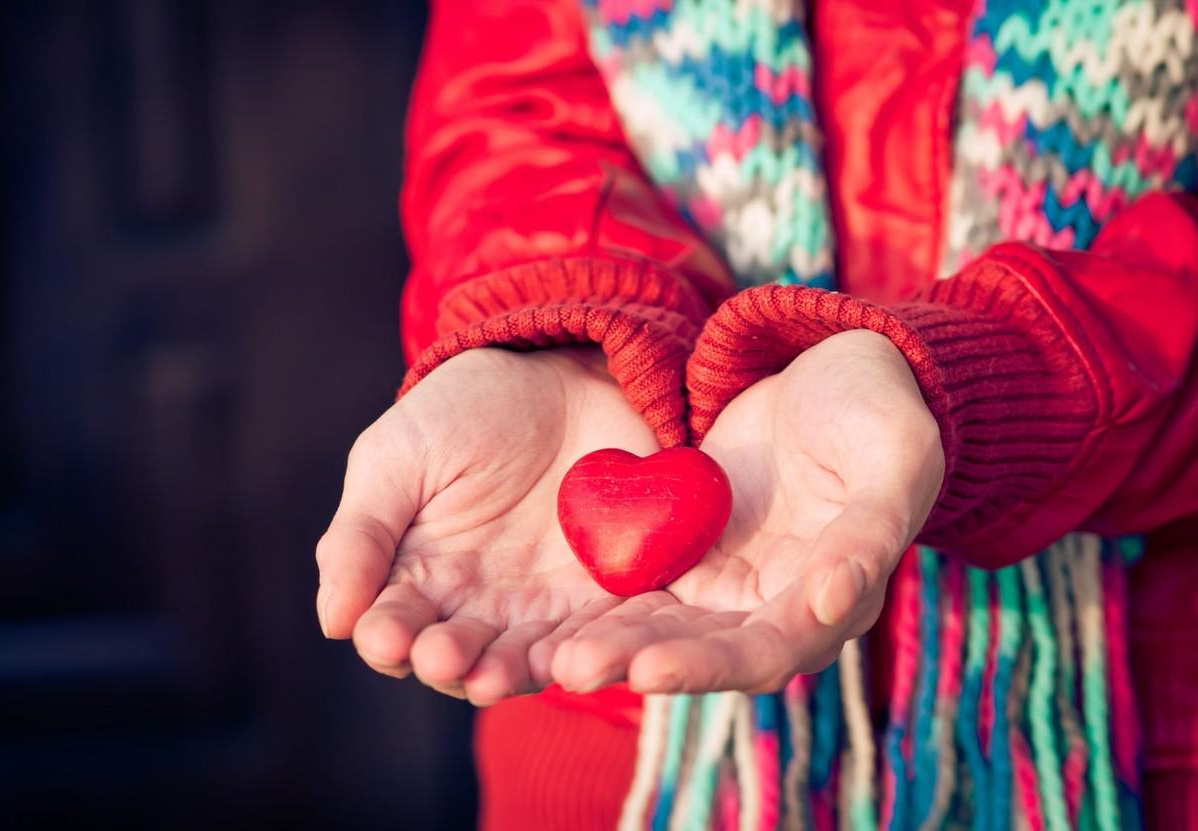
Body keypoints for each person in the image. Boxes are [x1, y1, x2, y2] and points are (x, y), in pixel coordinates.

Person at [315, 0, 1198, 827]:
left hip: (1142, 702)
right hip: (621, 723)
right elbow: (518, 114)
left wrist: (993, 382)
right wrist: (565, 326)